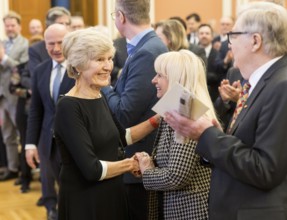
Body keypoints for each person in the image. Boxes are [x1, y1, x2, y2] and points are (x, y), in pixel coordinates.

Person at [164, 2, 287, 219]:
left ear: (255, 41)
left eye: (233, 35)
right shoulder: (269, 81)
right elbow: (250, 146)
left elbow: (265, 169)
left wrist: (208, 135)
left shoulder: (284, 86)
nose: (229, 44)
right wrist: (215, 133)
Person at [55, 28, 162, 220]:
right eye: (99, 60)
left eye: (109, 58)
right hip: (86, 202)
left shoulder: (99, 95)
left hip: (111, 193)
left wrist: (157, 120)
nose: (108, 66)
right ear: (78, 65)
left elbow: (121, 137)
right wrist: (132, 164)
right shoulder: (68, 107)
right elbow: (92, 170)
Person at [102, 0, 168, 219]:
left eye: (114, 15)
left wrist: (105, 87)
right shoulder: (148, 46)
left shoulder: (146, 52)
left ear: (121, 17)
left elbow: (124, 113)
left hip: (139, 158)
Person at [135, 49, 217, 219]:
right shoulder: (178, 108)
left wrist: (147, 171)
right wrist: (149, 162)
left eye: (159, 75)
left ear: (175, 78)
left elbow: (177, 176)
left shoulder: (188, 113)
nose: (153, 80)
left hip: (191, 212)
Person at [25, 23, 74, 220]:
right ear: (44, 45)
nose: (55, 48)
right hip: (46, 140)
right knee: (47, 182)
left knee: (70, 188)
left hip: (73, 141)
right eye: (50, 43)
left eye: (60, 43)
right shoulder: (40, 71)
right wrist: (30, 144)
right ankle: (51, 210)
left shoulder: (79, 69)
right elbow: (36, 110)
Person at [0, 11, 29, 181]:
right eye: (7, 25)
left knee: (21, 132)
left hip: (16, 95)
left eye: (13, 25)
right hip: (1, 95)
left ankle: (27, 170)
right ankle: (12, 168)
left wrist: (4, 59)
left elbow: (21, 67)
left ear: (19, 26)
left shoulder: (25, 45)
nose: (10, 28)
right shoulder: (1, 42)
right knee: (7, 133)